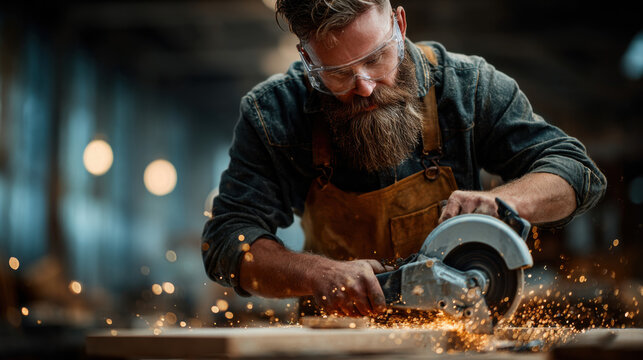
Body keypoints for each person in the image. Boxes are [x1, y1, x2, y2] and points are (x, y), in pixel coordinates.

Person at [202, 0, 606, 317]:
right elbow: (226, 241)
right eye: (339, 73)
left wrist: (507, 202)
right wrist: (317, 273)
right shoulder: (272, 114)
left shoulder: (468, 88)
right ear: (308, 60)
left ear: (400, 24)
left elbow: (576, 171)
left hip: (462, 333)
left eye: (376, 58)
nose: (365, 86)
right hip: (335, 339)